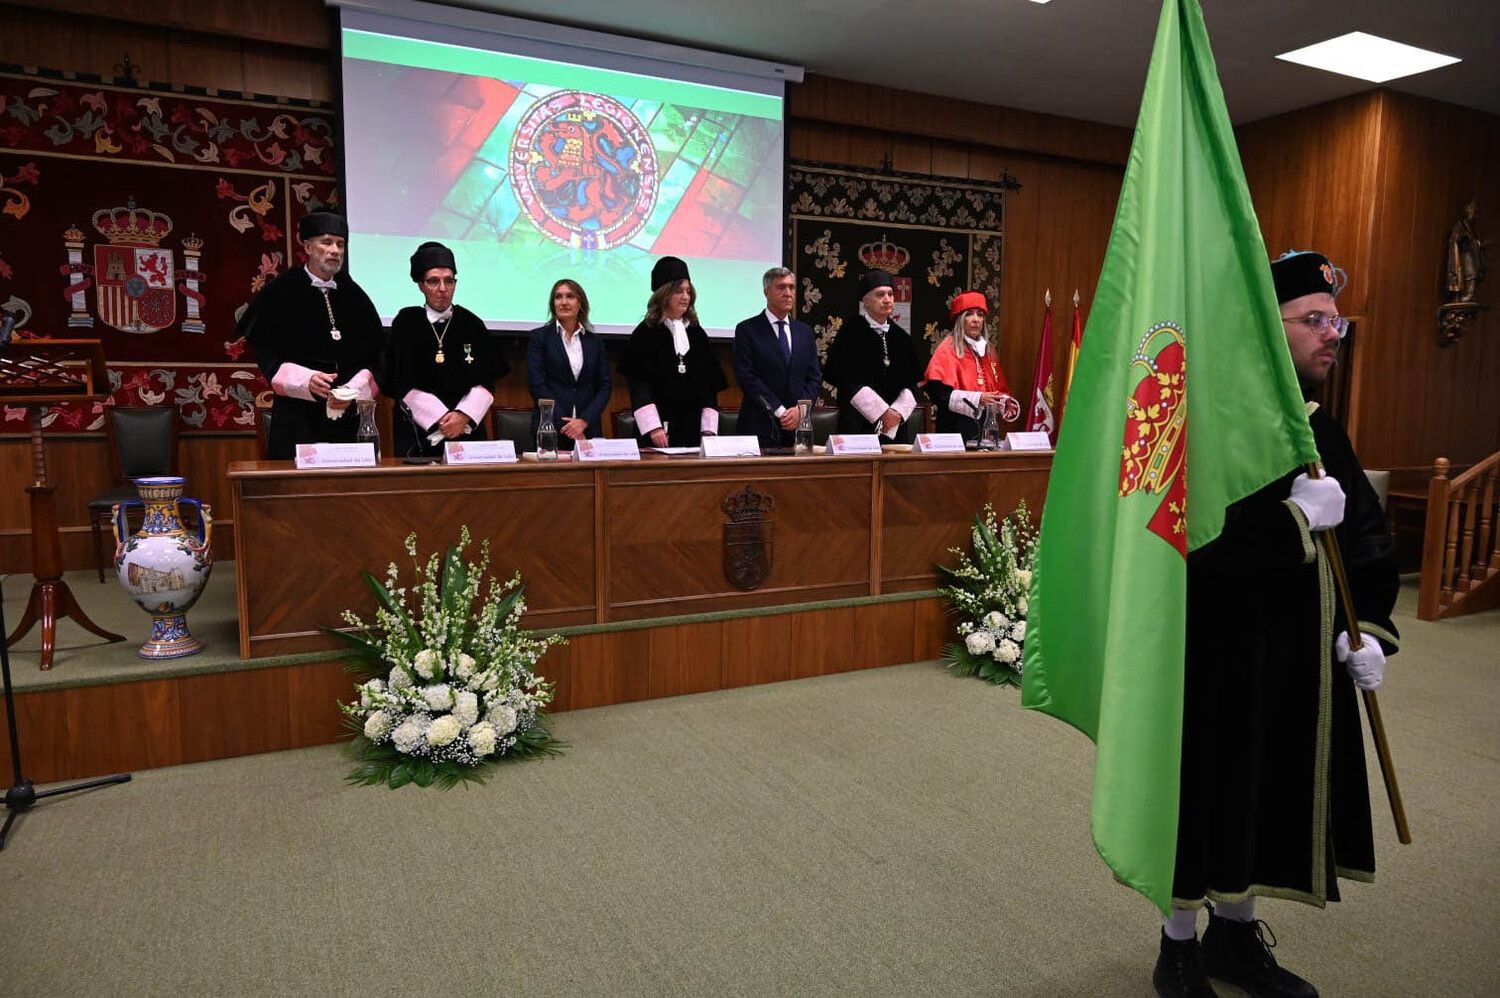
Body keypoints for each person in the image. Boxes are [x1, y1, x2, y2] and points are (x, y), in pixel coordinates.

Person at [1153, 250, 1400, 998]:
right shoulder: (1214, 422)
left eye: (1338, 322)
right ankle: (1178, 946)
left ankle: (1235, 936)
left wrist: (1372, 631)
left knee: (1267, 789)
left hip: (1298, 658)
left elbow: (1366, 537)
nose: (1334, 336)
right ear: (1268, 326)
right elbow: (1190, 544)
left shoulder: (1321, 429)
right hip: (1217, 654)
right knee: (1203, 794)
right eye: (1315, 321)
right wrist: (1294, 520)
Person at [241, 211, 382, 460]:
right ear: (308, 246)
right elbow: (266, 352)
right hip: (298, 418)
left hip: (347, 418)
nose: (335, 250)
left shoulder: (355, 296)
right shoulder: (281, 291)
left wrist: (353, 389)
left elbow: (377, 355)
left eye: (340, 244)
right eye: (326, 242)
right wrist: (306, 380)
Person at [386, 241, 506, 459]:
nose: (443, 289)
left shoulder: (472, 323)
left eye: (449, 281)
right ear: (421, 285)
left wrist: (461, 416)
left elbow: (487, 379)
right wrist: (440, 418)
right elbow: (398, 380)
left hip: (467, 431)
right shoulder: (406, 323)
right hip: (419, 433)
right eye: (434, 281)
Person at [620, 256, 726, 448]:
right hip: (658, 433)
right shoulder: (646, 332)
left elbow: (709, 386)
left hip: (695, 431)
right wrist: (653, 427)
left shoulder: (697, 333)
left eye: (688, 291)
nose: (686, 296)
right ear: (663, 295)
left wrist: (708, 429)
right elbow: (640, 386)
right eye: (678, 291)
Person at [823, 270, 920, 441]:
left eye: (890, 294)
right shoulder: (850, 332)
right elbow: (842, 378)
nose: (887, 299)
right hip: (857, 424)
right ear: (865, 301)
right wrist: (880, 411)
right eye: (880, 295)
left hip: (895, 426)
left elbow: (913, 382)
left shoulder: (901, 337)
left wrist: (896, 412)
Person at [732, 267, 822, 447]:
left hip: (798, 428)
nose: (788, 293)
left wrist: (800, 410)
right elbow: (746, 376)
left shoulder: (804, 331)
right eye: (781, 287)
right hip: (760, 426)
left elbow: (814, 377)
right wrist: (780, 411)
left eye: (792, 287)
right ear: (766, 291)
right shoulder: (747, 329)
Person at [526, 278, 611, 451]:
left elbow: (604, 385)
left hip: (588, 429)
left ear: (581, 303)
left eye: (570, 296)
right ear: (553, 304)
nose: (564, 302)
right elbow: (537, 385)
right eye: (558, 297)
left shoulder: (594, 342)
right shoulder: (539, 338)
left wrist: (583, 421)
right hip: (550, 429)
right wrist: (568, 425)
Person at [920, 290, 1016, 440]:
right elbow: (938, 393)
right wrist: (977, 399)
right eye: (970, 314)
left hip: (987, 431)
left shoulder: (989, 350)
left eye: (980, 314)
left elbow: (998, 389)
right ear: (960, 319)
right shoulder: (948, 349)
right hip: (955, 431)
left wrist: (1005, 402)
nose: (976, 319)